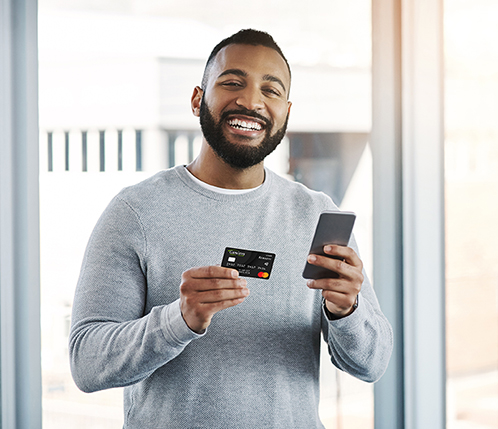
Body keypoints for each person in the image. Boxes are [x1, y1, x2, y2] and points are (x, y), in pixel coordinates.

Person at [69, 29, 392, 428]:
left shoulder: (315, 216)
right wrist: (179, 320)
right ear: (196, 99)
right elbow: (87, 364)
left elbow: (372, 364)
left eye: (270, 90)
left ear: (286, 114)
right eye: (232, 82)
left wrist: (347, 309)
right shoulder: (135, 212)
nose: (252, 101)